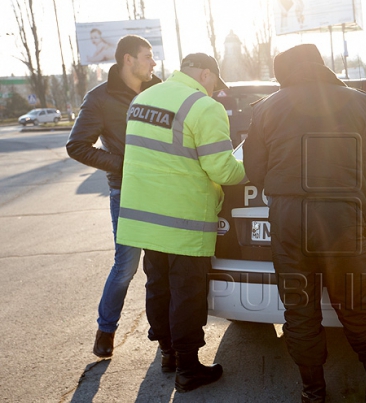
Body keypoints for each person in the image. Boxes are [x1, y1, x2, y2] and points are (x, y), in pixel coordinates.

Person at [244, 44, 366, 403]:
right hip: (339, 213)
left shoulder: (265, 109)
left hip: (288, 215)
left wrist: (286, 191)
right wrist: (350, 184)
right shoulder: (359, 101)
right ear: (319, 65)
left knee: (298, 306)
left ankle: (313, 392)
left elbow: (254, 170)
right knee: (355, 300)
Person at [116, 52, 244, 393]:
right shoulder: (203, 107)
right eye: (215, 82)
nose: (216, 91)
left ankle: (168, 353)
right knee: (187, 292)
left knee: (158, 285)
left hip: (146, 218)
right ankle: (188, 368)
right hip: (183, 219)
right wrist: (254, 169)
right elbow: (221, 169)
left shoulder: (142, 100)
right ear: (205, 74)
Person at [66, 35, 160, 359]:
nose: (154, 63)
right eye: (148, 56)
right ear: (128, 60)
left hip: (164, 189)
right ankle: (106, 330)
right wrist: (123, 165)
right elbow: (76, 146)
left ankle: (163, 332)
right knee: (126, 266)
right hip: (127, 191)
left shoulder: (158, 91)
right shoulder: (99, 98)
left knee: (162, 265)